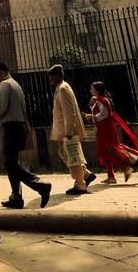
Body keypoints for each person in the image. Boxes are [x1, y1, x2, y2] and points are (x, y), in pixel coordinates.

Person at [0, 62, 51, 209]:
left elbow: (1, 107)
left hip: (11, 127)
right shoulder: (15, 84)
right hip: (19, 126)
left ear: (0, 72)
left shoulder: (4, 85)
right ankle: (16, 198)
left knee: (10, 163)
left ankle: (40, 185)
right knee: (13, 162)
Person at [83, 81, 138, 184]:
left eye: (92, 89)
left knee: (106, 151)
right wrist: (92, 105)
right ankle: (111, 175)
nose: (90, 90)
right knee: (110, 149)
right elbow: (99, 112)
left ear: (97, 90)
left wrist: (92, 117)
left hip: (105, 130)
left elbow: (104, 114)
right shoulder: (99, 100)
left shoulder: (102, 100)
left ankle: (126, 167)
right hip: (103, 129)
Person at [48, 64, 96, 195]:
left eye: (51, 76)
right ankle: (85, 174)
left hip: (67, 131)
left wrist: (69, 132)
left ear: (58, 76)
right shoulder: (62, 87)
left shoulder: (63, 88)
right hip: (64, 130)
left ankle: (80, 185)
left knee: (71, 157)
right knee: (66, 154)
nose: (50, 79)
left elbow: (69, 113)